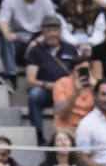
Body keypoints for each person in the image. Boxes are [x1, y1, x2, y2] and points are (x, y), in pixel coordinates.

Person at [22, 14, 75, 143]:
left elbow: (76, 74)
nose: (52, 34)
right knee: (34, 94)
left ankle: (71, 137)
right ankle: (38, 134)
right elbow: (30, 81)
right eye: (49, 30)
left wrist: (64, 87)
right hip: (46, 90)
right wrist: (51, 85)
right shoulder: (35, 51)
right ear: (43, 31)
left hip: (67, 90)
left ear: (60, 31)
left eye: (55, 30)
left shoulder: (70, 49)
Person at [0, 0, 56, 90]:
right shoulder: (10, 0)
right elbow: (2, 20)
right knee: (3, 34)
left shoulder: (46, 1)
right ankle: (11, 76)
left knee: (52, 38)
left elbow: (52, 25)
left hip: (39, 40)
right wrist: (7, 33)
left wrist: (37, 41)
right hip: (18, 40)